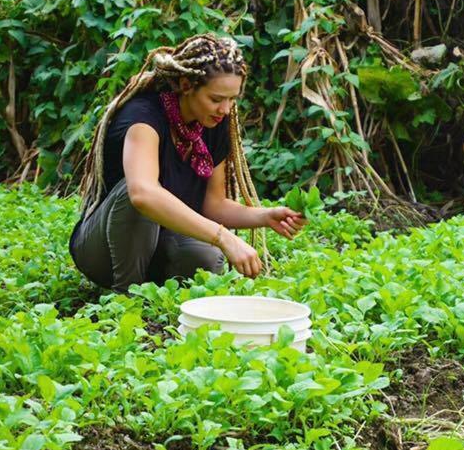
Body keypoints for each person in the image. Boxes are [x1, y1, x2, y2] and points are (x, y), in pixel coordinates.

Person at [70, 33, 306, 292]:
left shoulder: (215, 123)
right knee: (136, 192)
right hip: (101, 249)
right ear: (186, 84)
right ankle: (127, 295)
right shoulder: (143, 117)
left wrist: (265, 216)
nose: (225, 109)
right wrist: (223, 237)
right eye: (216, 99)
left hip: (158, 242)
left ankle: (153, 291)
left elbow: (213, 205)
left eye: (232, 99)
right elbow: (141, 195)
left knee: (207, 258)